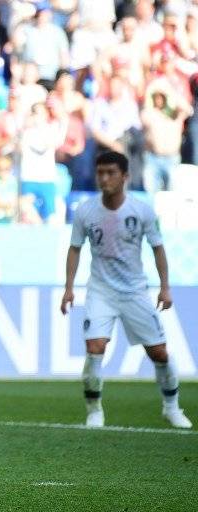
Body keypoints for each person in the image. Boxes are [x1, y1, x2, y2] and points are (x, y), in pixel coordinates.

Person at [60, 151, 192, 429]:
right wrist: (69, 288)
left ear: (125, 176)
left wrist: (165, 288)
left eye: (110, 173)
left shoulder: (142, 210)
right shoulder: (86, 210)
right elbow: (75, 249)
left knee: (159, 352)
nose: (104, 178)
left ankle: (171, 406)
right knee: (95, 347)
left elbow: (158, 249)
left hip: (135, 292)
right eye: (100, 173)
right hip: (100, 290)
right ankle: (94, 410)